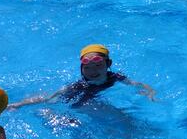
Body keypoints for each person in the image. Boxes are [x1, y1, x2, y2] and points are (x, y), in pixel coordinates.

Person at [9, 45, 155, 109]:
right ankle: (19, 104)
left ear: (108, 64)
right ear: (81, 68)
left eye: (98, 66)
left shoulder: (115, 77)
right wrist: (21, 104)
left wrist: (150, 92)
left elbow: (137, 84)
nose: (92, 71)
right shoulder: (80, 86)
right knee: (49, 100)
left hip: (93, 97)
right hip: (78, 99)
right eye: (87, 68)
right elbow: (56, 94)